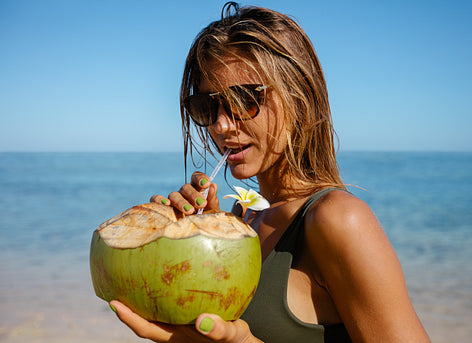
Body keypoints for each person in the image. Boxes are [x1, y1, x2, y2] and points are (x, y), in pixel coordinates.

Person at [110, 2, 431, 342]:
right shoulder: (244, 218)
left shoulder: (338, 220)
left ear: (299, 97)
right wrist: (202, 249)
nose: (220, 124)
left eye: (243, 99)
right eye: (206, 106)